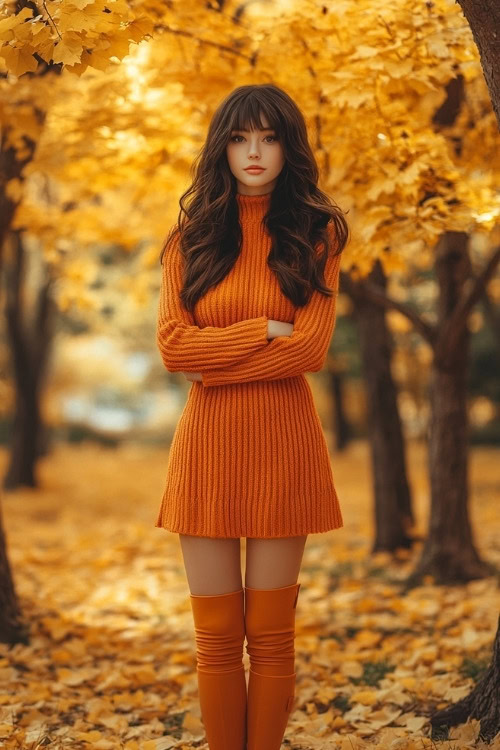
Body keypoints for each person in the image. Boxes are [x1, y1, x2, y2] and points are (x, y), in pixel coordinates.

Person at [155, 83, 349, 750]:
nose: (254, 152)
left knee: (270, 635)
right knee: (215, 639)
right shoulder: (190, 240)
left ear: (288, 146)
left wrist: (217, 363)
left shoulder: (316, 234)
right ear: (223, 149)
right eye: (240, 138)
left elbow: (312, 349)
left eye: (268, 137)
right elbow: (173, 348)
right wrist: (264, 331)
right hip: (207, 451)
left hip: (283, 445)